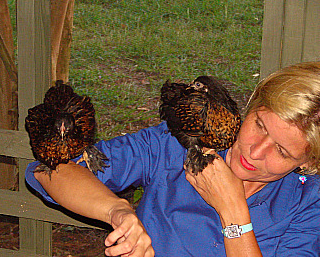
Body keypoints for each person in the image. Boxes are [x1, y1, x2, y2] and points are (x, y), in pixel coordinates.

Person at [26, 61, 320, 256]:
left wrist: (233, 212)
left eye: (282, 151)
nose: (255, 152)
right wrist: (117, 210)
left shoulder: (309, 203)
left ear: (309, 163)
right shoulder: (182, 142)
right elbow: (49, 171)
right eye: (259, 125)